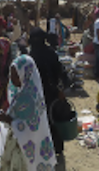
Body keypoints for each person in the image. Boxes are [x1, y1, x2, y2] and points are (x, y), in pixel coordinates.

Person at [0, 55, 57, 171]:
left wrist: (6, 118)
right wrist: (6, 116)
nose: (12, 78)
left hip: (24, 150)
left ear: (25, 73)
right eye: (11, 74)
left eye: (16, 75)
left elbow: (28, 127)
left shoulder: (30, 97)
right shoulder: (23, 93)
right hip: (16, 145)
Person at [29, 27, 66, 155]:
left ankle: (52, 149)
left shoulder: (41, 54)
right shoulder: (35, 54)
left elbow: (59, 72)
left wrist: (60, 90)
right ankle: (51, 149)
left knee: (50, 120)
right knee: (48, 121)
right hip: (44, 93)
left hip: (47, 92)